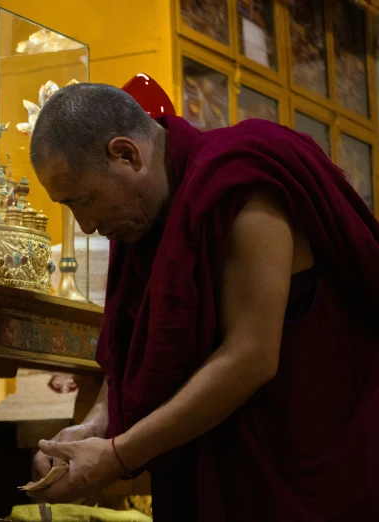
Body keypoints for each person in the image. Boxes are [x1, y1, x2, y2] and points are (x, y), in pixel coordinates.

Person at [26, 83, 379, 521]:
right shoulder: (142, 219)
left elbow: (250, 356)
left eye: (84, 200)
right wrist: (94, 428)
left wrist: (118, 455)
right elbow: (131, 356)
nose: (87, 225)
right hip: (218, 470)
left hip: (308, 470)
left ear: (127, 155)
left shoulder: (243, 186)